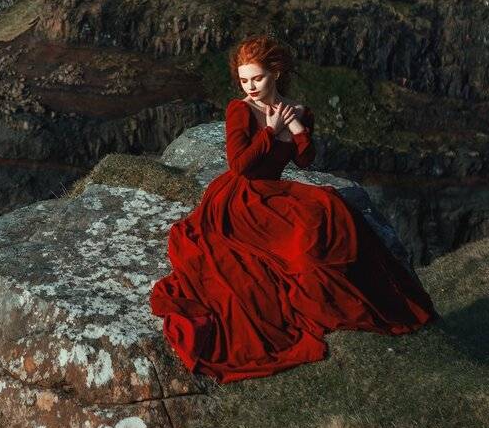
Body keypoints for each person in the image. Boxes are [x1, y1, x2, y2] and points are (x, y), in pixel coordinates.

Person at [149, 35, 439, 383]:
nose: (250, 86)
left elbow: (304, 160)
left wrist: (297, 127)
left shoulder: (298, 110)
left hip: (274, 192)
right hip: (239, 199)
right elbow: (240, 165)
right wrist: (270, 131)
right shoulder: (241, 110)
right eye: (244, 79)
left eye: (257, 78)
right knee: (282, 259)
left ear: (276, 73)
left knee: (330, 210)